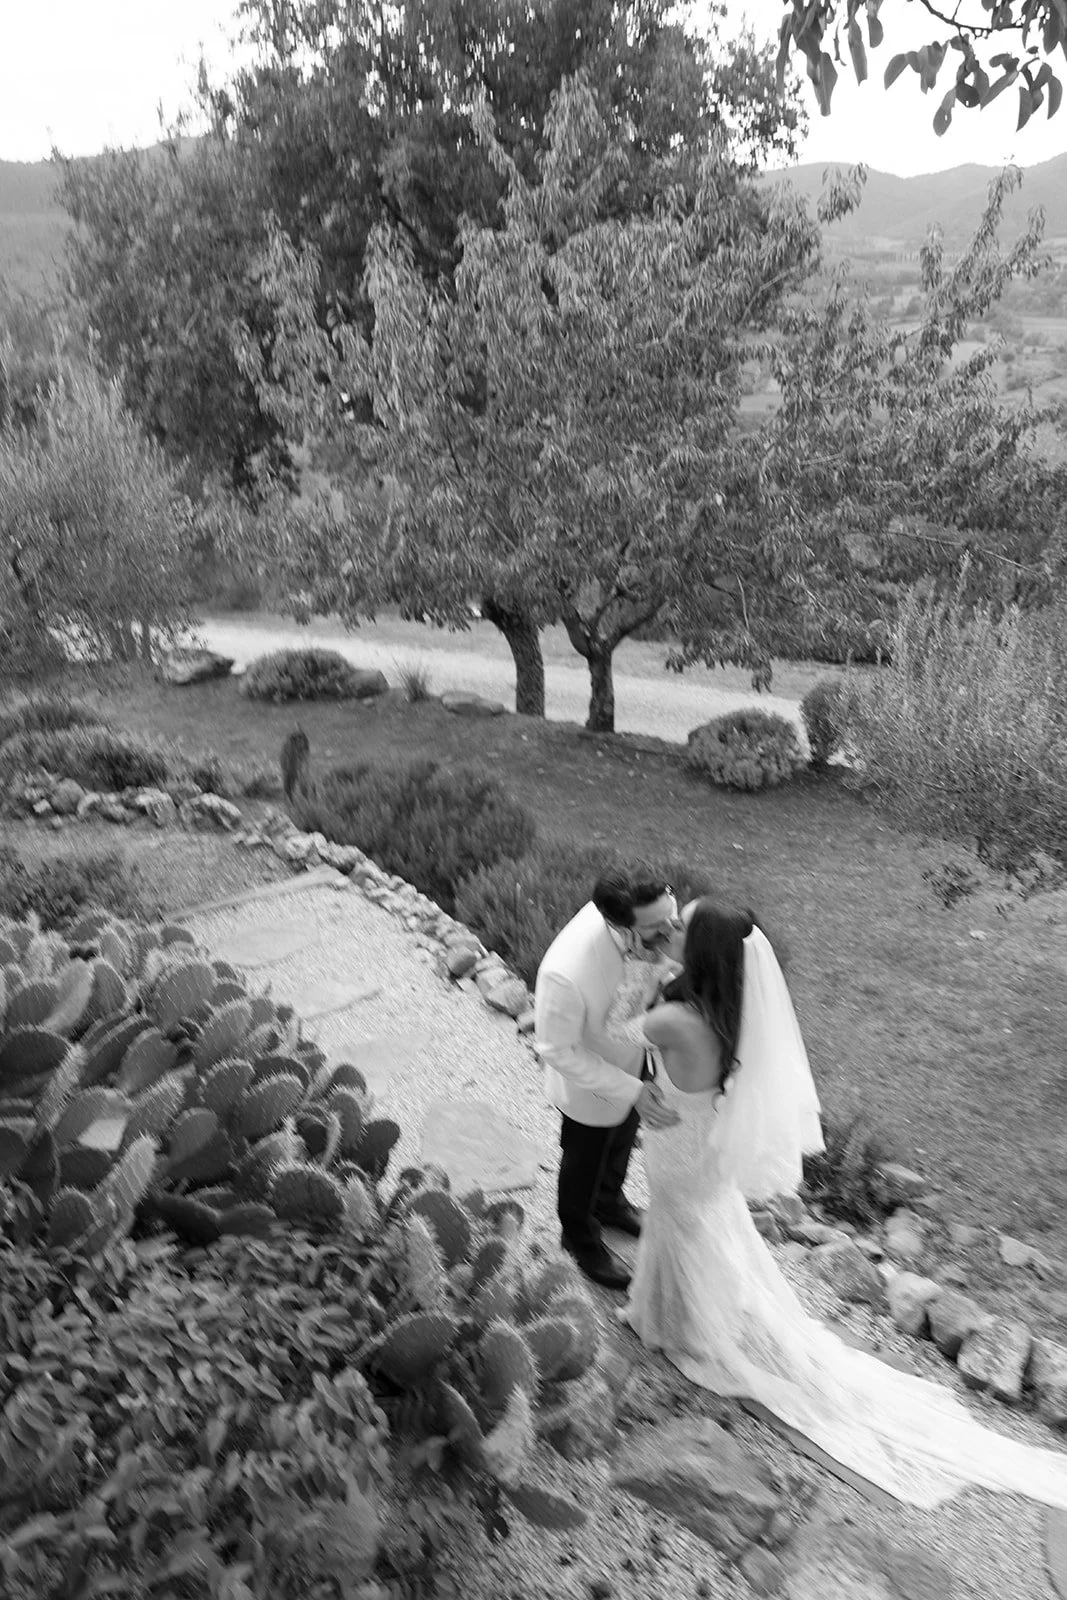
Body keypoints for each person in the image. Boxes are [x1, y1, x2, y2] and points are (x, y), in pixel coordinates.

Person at [619, 897, 1067, 1509]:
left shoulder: (672, 1018)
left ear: (698, 953)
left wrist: (641, 966)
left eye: (682, 927)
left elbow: (614, 1031)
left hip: (678, 1151)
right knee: (703, 1231)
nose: (671, 930)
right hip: (705, 1152)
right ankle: (678, 1313)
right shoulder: (730, 1010)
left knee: (683, 1230)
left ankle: (687, 1326)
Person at [534, 866, 683, 1291]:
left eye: (670, 916)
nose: (670, 931)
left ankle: (611, 1203)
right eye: (657, 927)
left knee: (620, 1145)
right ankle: (579, 1237)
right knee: (585, 1158)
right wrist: (630, 1090)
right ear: (618, 926)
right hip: (591, 1086)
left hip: (635, 1062)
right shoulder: (565, 971)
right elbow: (557, 1049)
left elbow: (659, 965)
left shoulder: (652, 922)